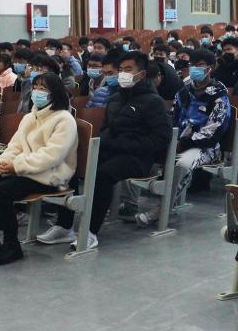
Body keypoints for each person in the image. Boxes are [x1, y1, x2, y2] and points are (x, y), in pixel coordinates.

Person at [38, 51, 172, 249]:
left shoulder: (154, 102)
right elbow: (106, 129)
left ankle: (90, 232)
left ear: (142, 74)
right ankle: (65, 226)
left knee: (102, 175)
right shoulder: (115, 98)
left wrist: (122, 144)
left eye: (129, 69)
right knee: (71, 165)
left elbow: (161, 139)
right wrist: (106, 142)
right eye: (121, 69)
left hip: (138, 158)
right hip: (111, 150)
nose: (123, 73)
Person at [0, 72, 76, 265]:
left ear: (55, 93)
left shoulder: (64, 119)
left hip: (49, 175)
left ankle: (12, 245)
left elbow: (52, 155)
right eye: (35, 87)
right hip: (26, 171)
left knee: (0, 191)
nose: (37, 91)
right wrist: (4, 162)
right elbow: (15, 146)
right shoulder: (29, 117)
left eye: (43, 88)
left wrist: (16, 166)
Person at [134, 49, 231, 227]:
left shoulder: (219, 95)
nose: (195, 68)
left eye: (200, 65)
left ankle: (162, 210)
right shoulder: (183, 92)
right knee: (142, 150)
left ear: (210, 67)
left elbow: (214, 130)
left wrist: (184, 143)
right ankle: (129, 203)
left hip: (206, 147)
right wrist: (169, 141)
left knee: (182, 164)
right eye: (192, 65)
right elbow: (172, 120)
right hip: (177, 142)